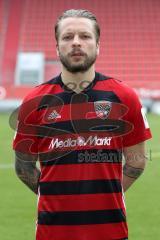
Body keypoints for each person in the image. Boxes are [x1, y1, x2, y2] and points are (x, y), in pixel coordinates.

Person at [13, 9, 152, 240]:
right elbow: (23, 167)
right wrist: (57, 198)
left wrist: (108, 195)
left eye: (85, 36)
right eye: (67, 37)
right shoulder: (33, 102)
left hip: (110, 231)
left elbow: (136, 162)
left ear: (98, 46)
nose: (76, 43)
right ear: (57, 48)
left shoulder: (124, 97)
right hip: (53, 232)